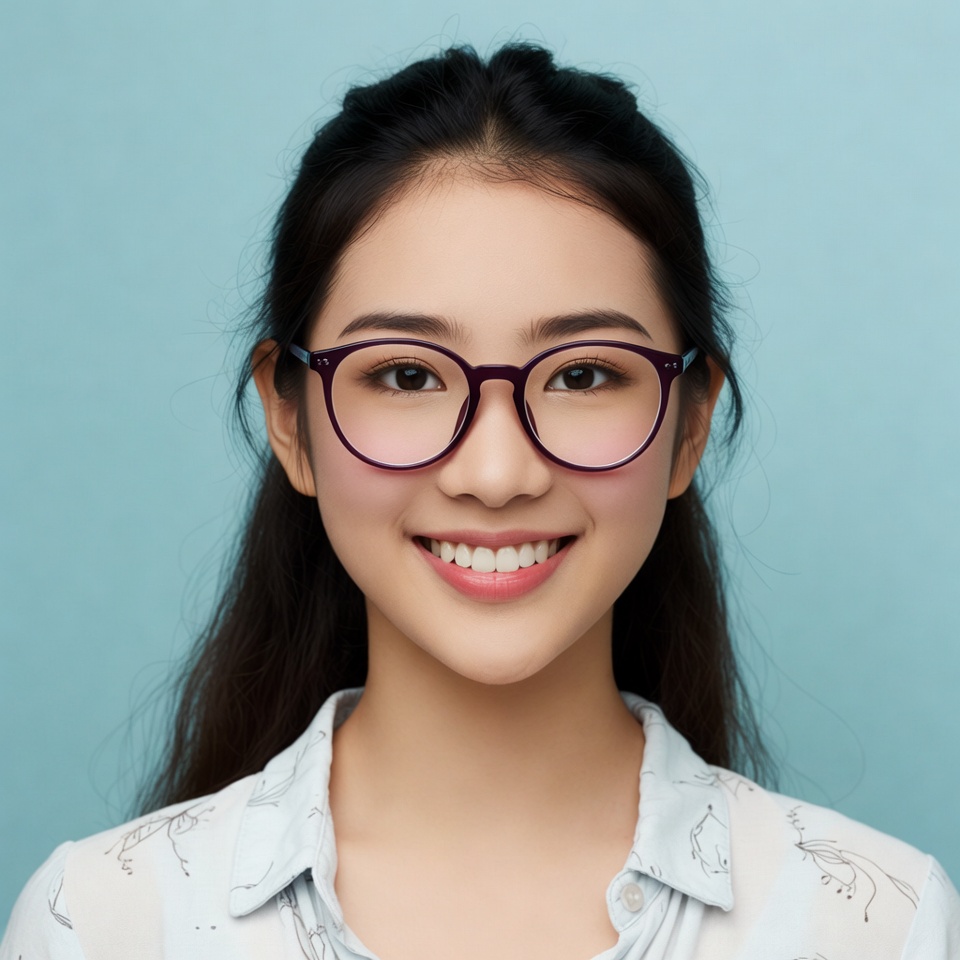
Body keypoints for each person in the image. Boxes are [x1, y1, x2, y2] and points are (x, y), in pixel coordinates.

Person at [2, 42, 957, 960]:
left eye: (583, 376)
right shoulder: (102, 925)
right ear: (289, 420)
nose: (496, 474)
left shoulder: (880, 927)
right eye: (408, 376)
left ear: (690, 423)